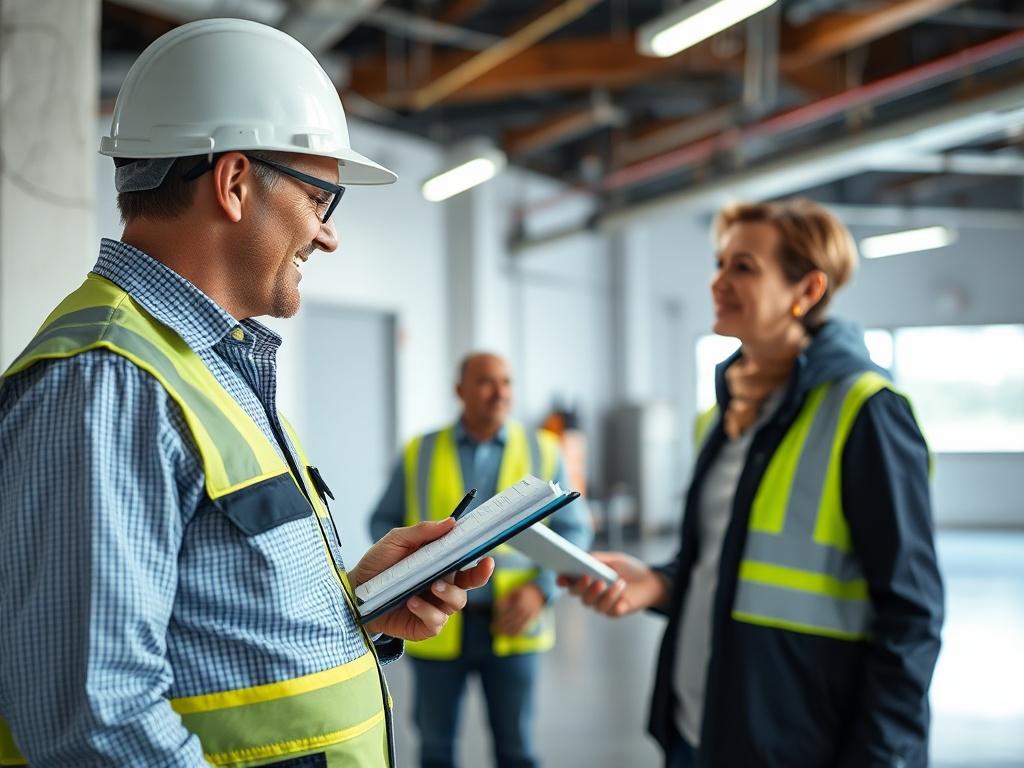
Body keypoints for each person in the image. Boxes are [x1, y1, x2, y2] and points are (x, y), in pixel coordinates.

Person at [0, 18, 493, 767]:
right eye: (321, 199)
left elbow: (209, 623)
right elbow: (94, 721)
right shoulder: (109, 384)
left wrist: (356, 605)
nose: (327, 235)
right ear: (233, 183)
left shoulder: (207, 366)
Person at [564, 199, 944, 767]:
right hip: (701, 727)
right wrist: (660, 583)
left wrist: (877, 757)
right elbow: (727, 563)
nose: (718, 282)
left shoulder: (866, 411)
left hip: (801, 745)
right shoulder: (727, 414)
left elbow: (912, 616)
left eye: (743, 267)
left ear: (807, 289)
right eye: (719, 263)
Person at [370, 352, 593, 768]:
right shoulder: (421, 450)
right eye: (487, 382)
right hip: (434, 622)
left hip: (515, 621)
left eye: (506, 382)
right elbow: (383, 519)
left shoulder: (544, 449)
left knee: (517, 752)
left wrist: (539, 591)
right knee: (435, 751)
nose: (500, 392)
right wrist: (408, 568)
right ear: (460, 390)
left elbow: (576, 529)